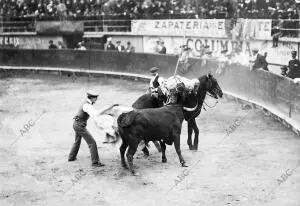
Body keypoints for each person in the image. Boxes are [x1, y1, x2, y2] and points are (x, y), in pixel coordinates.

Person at [68, 90, 117, 167]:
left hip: (76, 124)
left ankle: (71, 157)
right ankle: (95, 162)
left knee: (77, 141)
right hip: (79, 126)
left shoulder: (86, 103)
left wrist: (109, 107)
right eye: (96, 97)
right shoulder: (87, 105)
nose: (96, 99)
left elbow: (96, 113)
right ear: (92, 98)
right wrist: (109, 108)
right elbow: (96, 114)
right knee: (92, 143)